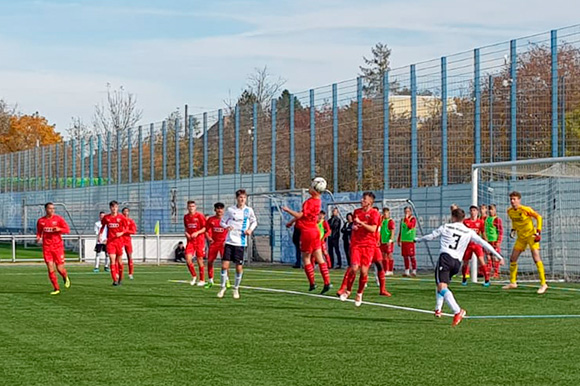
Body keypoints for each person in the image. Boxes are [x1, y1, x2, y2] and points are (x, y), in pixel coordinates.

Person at [416, 208, 504, 326]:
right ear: (463, 219)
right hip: (457, 263)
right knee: (442, 285)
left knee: (441, 286)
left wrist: (417, 239)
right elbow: (484, 243)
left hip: (446, 258)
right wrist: (499, 256)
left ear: (453, 217)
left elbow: (431, 236)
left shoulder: (446, 227)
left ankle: (457, 311)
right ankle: (438, 309)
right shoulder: (469, 231)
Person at [283, 181, 331, 294]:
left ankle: (312, 283)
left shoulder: (310, 202)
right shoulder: (318, 202)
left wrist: (288, 210)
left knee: (306, 258)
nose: (308, 188)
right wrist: (291, 222)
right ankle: (327, 282)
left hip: (307, 232)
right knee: (319, 258)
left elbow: (300, 215)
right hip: (315, 231)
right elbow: (303, 216)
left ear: (315, 189)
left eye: (311, 186)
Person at [337, 192, 381, 307]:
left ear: (370, 201)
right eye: (362, 198)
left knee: (364, 271)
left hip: (369, 245)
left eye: (364, 199)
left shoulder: (374, 213)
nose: (362, 200)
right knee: (354, 268)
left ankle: (359, 293)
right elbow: (353, 226)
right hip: (356, 244)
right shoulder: (357, 212)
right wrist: (354, 227)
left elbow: (373, 229)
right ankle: (348, 291)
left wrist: (361, 223)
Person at [503, 191, 548, 294]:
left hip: (531, 236)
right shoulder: (509, 211)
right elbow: (514, 221)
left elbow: (539, 217)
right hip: (521, 237)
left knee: (536, 257)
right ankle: (513, 283)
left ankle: (543, 284)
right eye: (511, 199)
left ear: (519, 200)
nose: (512, 201)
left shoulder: (525, 209)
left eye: (514, 199)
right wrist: (513, 229)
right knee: (513, 258)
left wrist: (538, 231)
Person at [218, 189, 258, 299]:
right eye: (240, 197)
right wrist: (227, 227)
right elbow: (222, 222)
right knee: (224, 266)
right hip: (229, 241)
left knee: (238, 267)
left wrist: (250, 230)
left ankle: (236, 288)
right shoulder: (230, 210)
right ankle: (222, 287)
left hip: (241, 242)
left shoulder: (248, 210)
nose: (242, 199)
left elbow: (254, 221)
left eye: (244, 198)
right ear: (237, 198)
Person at [36, 202, 71, 295]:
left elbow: (67, 229)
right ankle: (56, 288)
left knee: (59, 268)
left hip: (58, 247)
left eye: (53, 208)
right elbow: (39, 232)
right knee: (50, 268)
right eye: (50, 208)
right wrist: (38, 237)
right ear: (46, 209)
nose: (52, 210)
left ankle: (65, 276)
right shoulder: (41, 221)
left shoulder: (58, 219)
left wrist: (59, 229)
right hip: (47, 247)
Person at [99, 201, 128, 286]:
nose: (114, 208)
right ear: (110, 208)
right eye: (112, 207)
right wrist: (100, 235)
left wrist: (121, 233)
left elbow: (126, 228)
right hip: (110, 242)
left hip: (119, 241)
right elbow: (103, 226)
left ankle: (121, 279)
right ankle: (115, 280)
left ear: (117, 208)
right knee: (112, 260)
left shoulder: (121, 217)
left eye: (115, 207)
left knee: (119, 261)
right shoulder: (106, 218)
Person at [461, 206, 491, 287]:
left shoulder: (480, 222)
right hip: (468, 245)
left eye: (474, 210)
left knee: (482, 261)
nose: (472, 212)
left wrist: (486, 243)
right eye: (471, 210)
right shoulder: (465, 222)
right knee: (465, 263)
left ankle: (487, 279)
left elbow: (483, 233)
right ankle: (464, 278)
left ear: (477, 212)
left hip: (477, 245)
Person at [183, 200, 207, 287]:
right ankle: (194, 276)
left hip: (199, 241)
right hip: (191, 242)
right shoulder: (186, 217)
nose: (191, 208)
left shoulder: (200, 216)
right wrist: (186, 233)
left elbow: (205, 228)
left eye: (193, 206)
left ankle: (202, 279)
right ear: (187, 207)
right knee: (188, 259)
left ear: (195, 207)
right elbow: (186, 228)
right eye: (190, 206)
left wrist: (197, 233)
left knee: (199, 260)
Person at [205, 202, 228, 288]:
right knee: (210, 261)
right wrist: (209, 238)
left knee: (225, 262)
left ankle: (227, 280)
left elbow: (231, 230)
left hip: (224, 244)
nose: (219, 210)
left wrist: (227, 240)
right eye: (217, 208)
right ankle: (210, 280)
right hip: (214, 243)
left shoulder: (227, 219)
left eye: (221, 208)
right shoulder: (211, 220)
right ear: (215, 210)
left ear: (223, 210)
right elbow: (206, 231)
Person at [485, 204, 503, 278]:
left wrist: (499, 241)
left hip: (494, 240)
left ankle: (496, 272)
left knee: (495, 257)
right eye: (489, 209)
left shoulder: (497, 219)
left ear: (495, 210)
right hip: (488, 240)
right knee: (488, 257)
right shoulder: (487, 219)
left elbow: (500, 231)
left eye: (492, 209)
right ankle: (489, 272)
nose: (490, 211)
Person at [397, 206, 417, 277]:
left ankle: (414, 270)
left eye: (408, 211)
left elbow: (410, 226)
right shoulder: (402, 220)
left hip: (410, 240)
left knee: (412, 256)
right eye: (405, 212)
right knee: (405, 256)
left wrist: (407, 219)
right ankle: (407, 270)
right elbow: (401, 230)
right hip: (404, 240)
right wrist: (399, 239)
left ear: (411, 212)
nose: (406, 213)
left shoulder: (413, 219)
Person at [122, 207, 137, 280]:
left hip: (127, 240)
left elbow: (133, 231)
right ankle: (118, 272)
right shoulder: (119, 220)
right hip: (120, 239)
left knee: (129, 256)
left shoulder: (131, 221)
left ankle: (130, 273)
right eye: (124, 211)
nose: (125, 212)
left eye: (127, 211)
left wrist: (125, 231)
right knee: (118, 256)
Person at [380, 208, 396, 276]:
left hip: (388, 241)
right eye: (384, 213)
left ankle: (390, 270)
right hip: (382, 241)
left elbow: (392, 231)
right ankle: (385, 269)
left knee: (389, 255)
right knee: (383, 256)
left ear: (389, 213)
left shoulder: (390, 221)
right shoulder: (382, 221)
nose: (385, 214)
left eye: (386, 213)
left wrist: (390, 240)